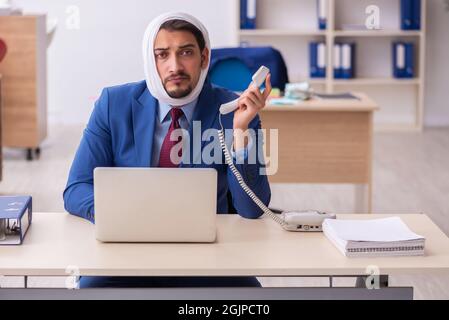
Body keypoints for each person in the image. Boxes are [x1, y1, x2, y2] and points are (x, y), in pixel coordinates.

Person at [63, 12, 272, 288]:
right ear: (152, 61)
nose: (174, 66)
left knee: (249, 297)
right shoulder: (114, 103)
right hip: (126, 255)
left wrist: (240, 132)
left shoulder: (233, 110)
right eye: (162, 55)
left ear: (204, 57)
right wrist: (117, 214)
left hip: (210, 259)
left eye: (185, 52)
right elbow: (76, 188)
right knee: (89, 291)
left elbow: (251, 208)